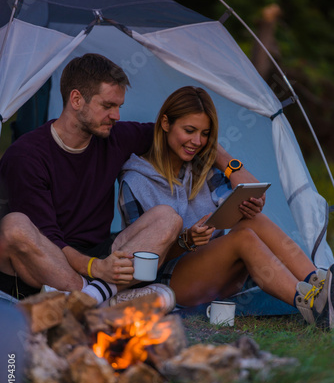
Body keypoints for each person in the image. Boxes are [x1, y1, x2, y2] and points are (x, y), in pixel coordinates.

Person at [118, 86, 334, 329]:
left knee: (253, 221)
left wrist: (225, 162)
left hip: (217, 270)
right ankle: (311, 305)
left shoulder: (202, 168)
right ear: (165, 123)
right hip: (170, 281)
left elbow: (249, 188)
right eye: (189, 130)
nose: (197, 141)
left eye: (205, 134)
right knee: (244, 238)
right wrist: (186, 241)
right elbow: (142, 265)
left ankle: (320, 283)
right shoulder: (134, 182)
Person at [0, 53, 184, 308]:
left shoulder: (114, 137)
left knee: (168, 217)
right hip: (49, 262)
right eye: (108, 106)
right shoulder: (26, 155)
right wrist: (94, 267)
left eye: (119, 106)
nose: (117, 115)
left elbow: (178, 135)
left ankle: (90, 300)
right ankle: (101, 297)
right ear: (76, 99)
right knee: (14, 226)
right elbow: (48, 238)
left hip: (100, 255)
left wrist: (233, 168)